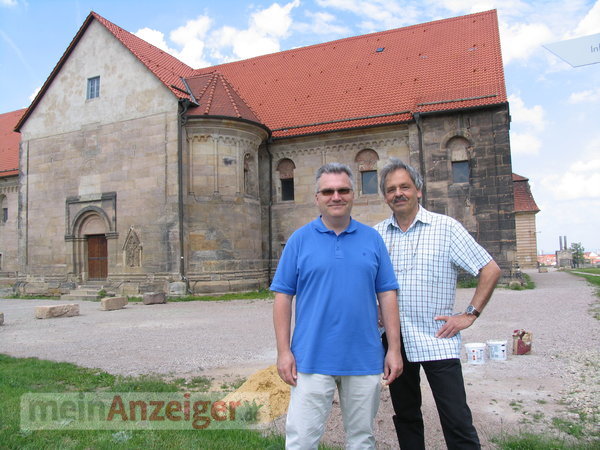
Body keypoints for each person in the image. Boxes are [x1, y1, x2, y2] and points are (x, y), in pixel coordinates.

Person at [271, 162, 403, 449]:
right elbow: (283, 297)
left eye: (343, 190)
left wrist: (393, 349)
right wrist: (284, 352)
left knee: (361, 440)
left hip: (364, 357)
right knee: (302, 440)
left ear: (353, 194)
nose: (336, 196)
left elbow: (387, 295)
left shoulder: (372, 239)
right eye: (328, 191)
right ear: (317, 197)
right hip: (311, 357)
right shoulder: (299, 240)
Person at [374, 158, 502, 450]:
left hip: (438, 337)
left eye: (405, 186)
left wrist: (469, 315)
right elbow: (365, 282)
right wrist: (374, 308)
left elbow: (490, 269)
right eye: (391, 189)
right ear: (385, 196)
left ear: (418, 190)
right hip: (395, 342)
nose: (398, 193)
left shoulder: (446, 228)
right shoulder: (376, 235)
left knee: (456, 418)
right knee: (406, 416)